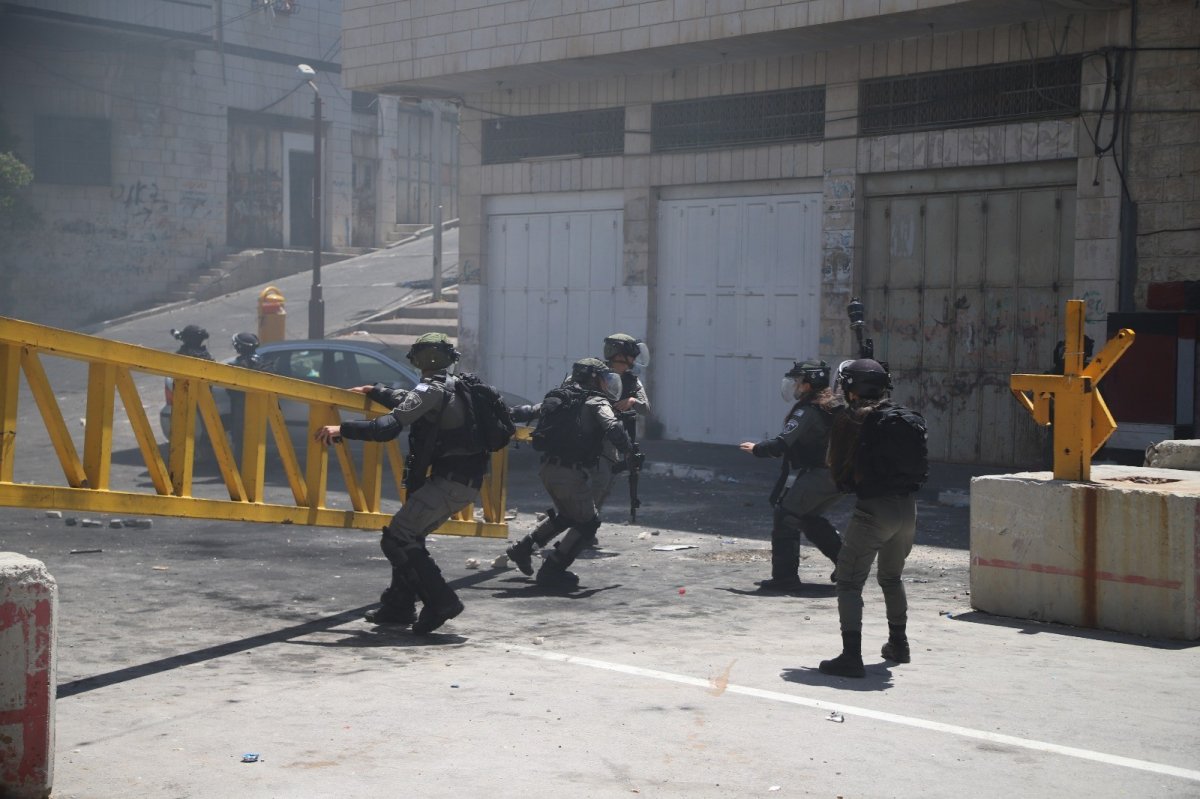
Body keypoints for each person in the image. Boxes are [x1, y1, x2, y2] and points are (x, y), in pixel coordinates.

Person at [314, 332, 488, 634]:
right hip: (464, 480)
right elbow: (412, 403)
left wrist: (341, 428)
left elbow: (387, 428)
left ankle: (441, 601)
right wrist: (376, 390)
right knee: (411, 537)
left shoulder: (430, 388)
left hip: (449, 482)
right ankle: (398, 605)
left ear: (416, 359)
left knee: (397, 538)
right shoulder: (459, 386)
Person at [819, 358, 927, 678]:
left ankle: (851, 657)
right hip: (908, 510)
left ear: (853, 389)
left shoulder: (855, 421)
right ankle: (899, 644)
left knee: (849, 581)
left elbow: (838, 468)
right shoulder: (900, 418)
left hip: (874, 511)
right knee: (891, 578)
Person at [505, 358, 632, 590]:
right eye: (603, 379)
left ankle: (522, 549)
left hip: (548, 469)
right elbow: (613, 427)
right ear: (595, 378)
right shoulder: (596, 401)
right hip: (570, 473)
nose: (606, 384)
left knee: (568, 515)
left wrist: (501, 414)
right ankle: (552, 570)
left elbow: (527, 411)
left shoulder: (560, 398)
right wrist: (629, 452)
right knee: (588, 523)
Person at [739, 360, 844, 592]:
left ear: (809, 384)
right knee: (807, 517)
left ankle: (785, 578)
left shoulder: (808, 410)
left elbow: (782, 443)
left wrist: (758, 449)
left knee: (786, 515)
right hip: (839, 474)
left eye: (798, 381)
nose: (795, 386)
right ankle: (848, 565)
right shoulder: (833, 405)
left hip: (822, 474)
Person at [590, 334, 651, 523]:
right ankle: (579, 523)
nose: (633, 359)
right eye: (630, 354)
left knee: (604, 484)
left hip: (612, 438)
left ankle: (586, 524)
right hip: (589, 433)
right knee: (591, 483)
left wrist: (632, 401)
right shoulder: (594, 374)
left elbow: (646, 409)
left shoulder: (632, 381)